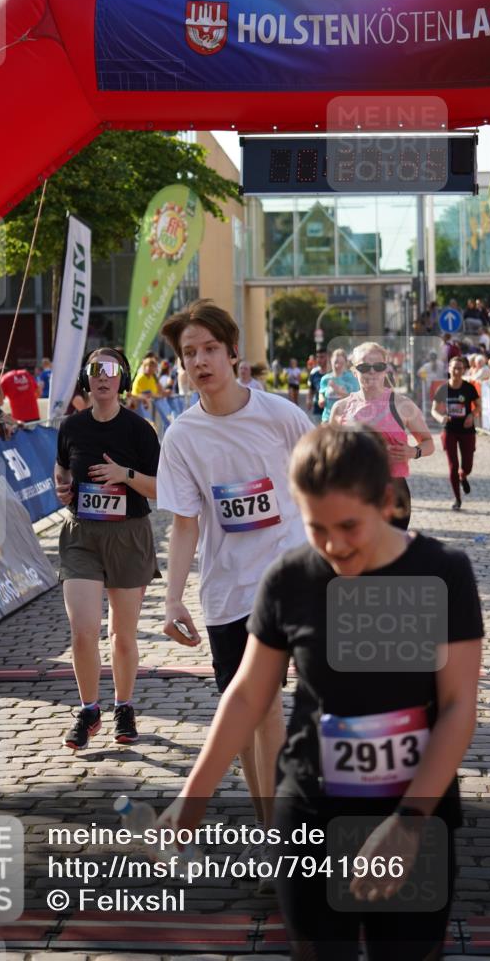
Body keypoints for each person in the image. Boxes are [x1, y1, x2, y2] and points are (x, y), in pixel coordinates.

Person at [161, 424, 483, 961]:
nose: (333, 546)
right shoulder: (290, 578)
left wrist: (408, 824)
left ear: (387, 501)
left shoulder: (442, 572)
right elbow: (247, 694)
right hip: (311, 812)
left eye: (349, 526)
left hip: (414, 812)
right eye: (316, 529)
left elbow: (457, 707)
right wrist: (194, 794)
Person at [156, 300, 314, 866]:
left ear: (232, 354)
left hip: (293, 579)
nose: (200, 361)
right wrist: (173, 597)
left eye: (209, 349)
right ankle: (275, 835)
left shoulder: (280, 416)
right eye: (188, 353)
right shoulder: (181, 437)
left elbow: (319, 478)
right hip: (227, 593)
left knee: (278, 708)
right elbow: (183, 521)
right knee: (251, 717)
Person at [54, 347, 161, 749]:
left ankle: (124, 705)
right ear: (86, 377)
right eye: (94, 369)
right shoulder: (71, 427)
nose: (102, 376)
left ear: (122, 379)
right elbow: (62, 467)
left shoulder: (139, 430)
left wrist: (124, 474)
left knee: (122, 634)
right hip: (81, 534)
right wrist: (62, 485)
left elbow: (160, 487)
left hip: (129, 535)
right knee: (83, 631)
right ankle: (88, 709)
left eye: (111, 370)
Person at [330, 341, 434, 530]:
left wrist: (413, 452)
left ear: (386, 370)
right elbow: (329, 452)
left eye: (377, 367)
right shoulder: (341, 408)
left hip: (393, 491)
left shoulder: (402, 405)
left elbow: (428, 443)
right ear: (354, 371)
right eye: (364, 367)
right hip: (353, 491)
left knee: (392, 555)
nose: (371, 372)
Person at [431, 357, 481, 510]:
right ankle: (457, 499)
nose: (457, 371)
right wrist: (441, 418)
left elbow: (478, 407)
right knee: (453, 465)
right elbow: (433, 409)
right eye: (454, 368)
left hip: (467, 430)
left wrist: (472, 415)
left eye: (460, 368)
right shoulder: (443, 388)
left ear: (464, 370)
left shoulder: (469, 388)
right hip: (450, 429)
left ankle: (463, 475)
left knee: (467, 466)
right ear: (449, 369)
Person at [318, 348, 359, 422]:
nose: (338, 365)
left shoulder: (351, 378)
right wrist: (321, 399)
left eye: (341, 363)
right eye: (336, 362)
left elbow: (355, 398)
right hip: (328, 418)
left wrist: (336, 389)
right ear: (331, 361)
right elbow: (321, 391)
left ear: (346, 363)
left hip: (345, 419)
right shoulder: (326, 378)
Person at [307, 348, 328, 420]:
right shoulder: (314, 374)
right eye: (317, 357)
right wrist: (309, 400)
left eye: (322, 357)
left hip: (331, 410)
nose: (319, 359)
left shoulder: (333, 374)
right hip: (317, 409)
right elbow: (311, 389)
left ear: (328, 358)